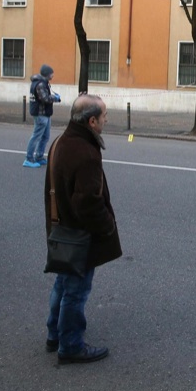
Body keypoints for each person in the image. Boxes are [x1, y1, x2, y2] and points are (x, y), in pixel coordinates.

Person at [44, 94, 121, 364]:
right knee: (76, 291)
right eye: (104, 116)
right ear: (91, 121)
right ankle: (71, 345)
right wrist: (108, 227)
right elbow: (88, 203)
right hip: (79, 235)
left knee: (62, 284)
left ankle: (54, 334)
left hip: (61, 231)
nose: (106, 120)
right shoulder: (86, 152)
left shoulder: (61, 142)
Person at [24, 63, 61, 168]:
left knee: (45, 136)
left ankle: (39, 157)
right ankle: (29, 158)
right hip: (41, 114)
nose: (53, 75)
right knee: (36, 136)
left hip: (45, 113)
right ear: (47, 74)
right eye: (51, 73)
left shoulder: (43, 83)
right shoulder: (40, 84)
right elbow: (45, 99)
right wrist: (56, 98)